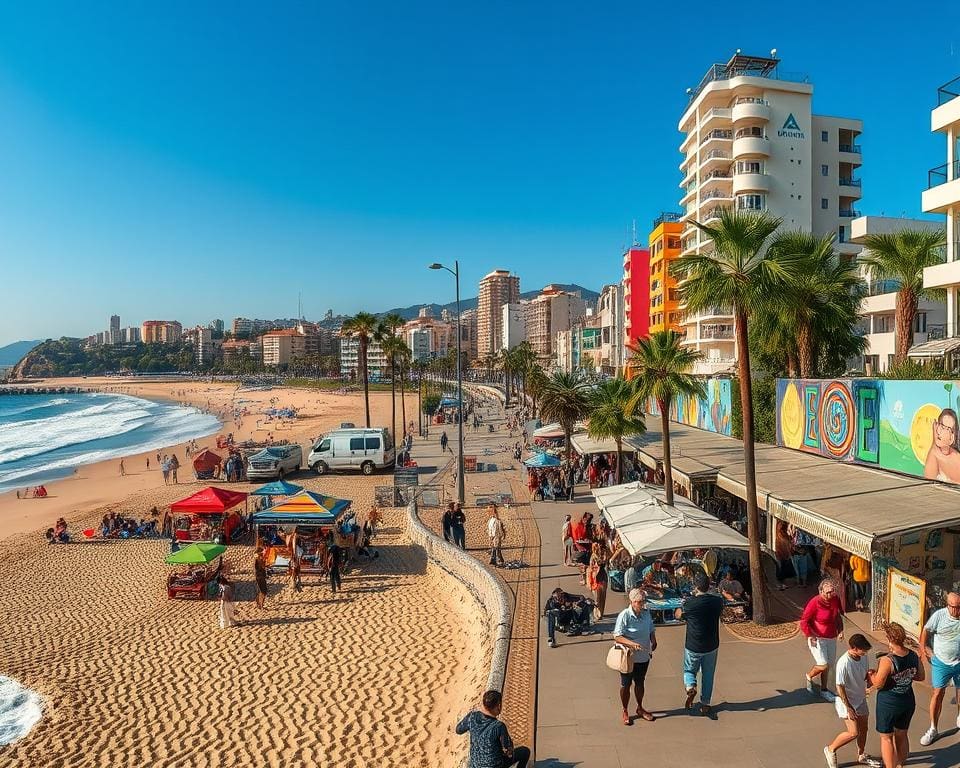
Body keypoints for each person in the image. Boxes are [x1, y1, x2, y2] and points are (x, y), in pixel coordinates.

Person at [823, 634, 881, 768]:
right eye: (863, 650)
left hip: (860, 699)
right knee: (853, 732)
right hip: (846, 702)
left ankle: (861, 755)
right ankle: (830, 749)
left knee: (864, 729)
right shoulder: (844, 663)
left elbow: (864, 674)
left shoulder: (863, 657)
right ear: (854, 648)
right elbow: (840, 687)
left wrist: (871, 675)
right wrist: (848, 707)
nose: (865, 652)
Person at [873, 622, 923, 768]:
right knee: (902, 734)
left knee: (887, 738)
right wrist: (905, 677)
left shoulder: (888, 660)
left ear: (889, 639)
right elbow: (920, 676)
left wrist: (872, 676)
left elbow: (878, 684)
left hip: (889, 703)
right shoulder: (913, 655)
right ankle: (901, 763)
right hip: (907, 700)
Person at [677, 572, 724, 716]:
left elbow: (678, 615)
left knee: (689, 670)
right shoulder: (717, 601)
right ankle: (705, 703)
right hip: (711, 644)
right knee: (708, 674)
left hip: (694, 644)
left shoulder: (690, 603)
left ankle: (690, 685)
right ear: (708, 585)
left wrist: (681, 607)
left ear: (695, 586)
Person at [918, 591, 960, 746]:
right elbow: (926, 630)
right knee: (938, 694)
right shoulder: (939, 616)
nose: (957, 611)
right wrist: (923, 650)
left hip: (959, 662)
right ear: (947, 605)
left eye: (959, 607)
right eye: (954, 607)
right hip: (941, 662)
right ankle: (933, 729)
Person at [613, 588, 657, 726]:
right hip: (628, 656)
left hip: (643, 655)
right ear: (632, 602)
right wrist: (632, 644)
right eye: (639, 602)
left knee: (640, 682)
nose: (641, 604)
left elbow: (651, 628)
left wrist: (653, 640)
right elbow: (617, 636)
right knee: (626, 684)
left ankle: (640, 707)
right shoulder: (624, 615)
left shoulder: (646, 614)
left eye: (643, 601)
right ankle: (625, 710)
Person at [455, 690, 530, 768]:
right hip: (496, 765)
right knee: (524, 752)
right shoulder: (499, 726)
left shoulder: (472, 717)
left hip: (475, 765)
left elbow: (458, 730)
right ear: (499, 706)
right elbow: (508, 750)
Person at [801, 578, 844, 701]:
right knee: (823, 665)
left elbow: (837, 616)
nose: (831, 594)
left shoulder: (835, 599)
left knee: (829, 665)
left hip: (831, 637)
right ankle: (809, 675)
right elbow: (804, 621)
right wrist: (810, 635)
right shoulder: (814, 602)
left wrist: (840, 630)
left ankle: (824, 690)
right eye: (828, 592)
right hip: (817, 638)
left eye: (832, 591)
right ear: (821, 592)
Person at [923, 407, 960, 482]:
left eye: (948, 429)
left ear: (952, 437)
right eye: (942, 426)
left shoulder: (956, 457)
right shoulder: (934, 453)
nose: (941, 432)